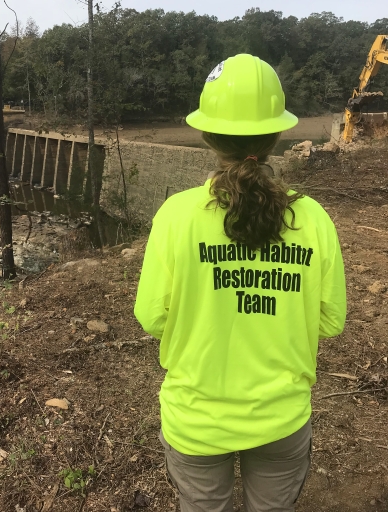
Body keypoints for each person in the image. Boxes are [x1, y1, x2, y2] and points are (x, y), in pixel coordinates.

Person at [134, 54, 346, 512]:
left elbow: (152, 316)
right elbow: (330, 321)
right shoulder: (312, 218)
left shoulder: (176, 215)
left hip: (195, 421)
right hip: (281, 419)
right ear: (276, 135)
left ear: (207, 135)